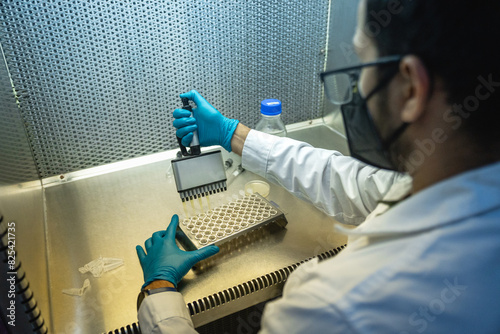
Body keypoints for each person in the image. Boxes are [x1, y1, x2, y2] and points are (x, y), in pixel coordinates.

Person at [136, 0, 500, 332]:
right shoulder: (459, 184)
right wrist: (232, 133)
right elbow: (347, 180)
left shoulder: (334, 310)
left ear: (410, 89)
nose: (359, 85)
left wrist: (160, 292)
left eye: (362, 66)